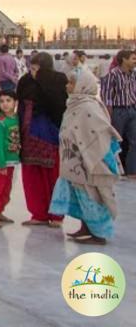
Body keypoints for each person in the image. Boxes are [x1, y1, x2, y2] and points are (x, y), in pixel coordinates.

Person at [50, 67, 122, 245]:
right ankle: (85, 227)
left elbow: (100, 133)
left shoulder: (89, 106)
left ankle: (98, 234)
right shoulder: (75, 103)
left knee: (91, 196)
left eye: (72, 83)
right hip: (75, 161)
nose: (68, 86)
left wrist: (90, 156)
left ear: (82, 85)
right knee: (80, 195)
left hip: (90, 162)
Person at [16, 51, 68, 227]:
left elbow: (60, 106)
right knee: (31, 175)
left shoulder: (57, 80)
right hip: (28, 131)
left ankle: (56, 214)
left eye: (38, 68)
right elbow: (20, 105)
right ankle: (38, 213)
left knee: (51, 174)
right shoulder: (25, 81)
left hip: (48, 132)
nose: (34, 72)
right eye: (32, 68)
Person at [99, 49, 135, 177]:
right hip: (118, 111)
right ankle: (115, 170)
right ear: (124, 60)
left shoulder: (133, 74)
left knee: (134, 141)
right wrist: (108, 114)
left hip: (131, 109)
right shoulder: (113, 75)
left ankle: (132, 171)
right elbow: (106, 96)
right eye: (133, 58)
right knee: (116, 142)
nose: (135, 61)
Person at [0, 88, 20, 228]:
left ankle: (0, 211)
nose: (5, 104)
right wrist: (1, 164)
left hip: (12, 161)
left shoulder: (16, 119)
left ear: (15, 102)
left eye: (8, 101)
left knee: (6, 189)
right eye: (2, 101)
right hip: (0, 163)